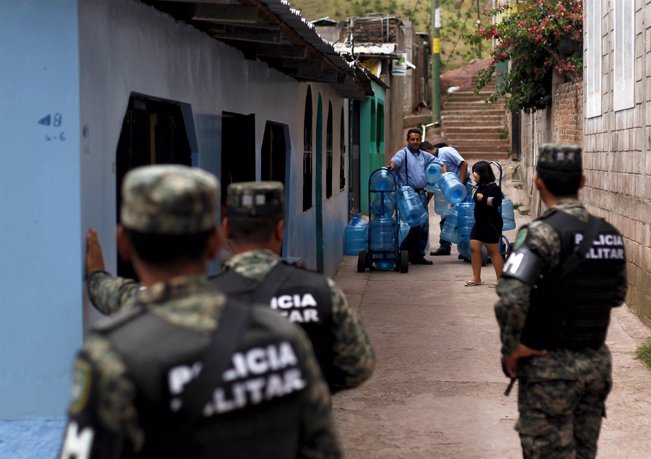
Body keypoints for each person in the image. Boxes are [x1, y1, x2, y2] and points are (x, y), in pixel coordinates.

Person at [60, 165, 341, 458]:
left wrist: (96, 277)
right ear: (215, 241)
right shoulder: (284, 338)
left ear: (123, 243)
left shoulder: (111, 354)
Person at [85, 181, 375, 395]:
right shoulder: (322, 291)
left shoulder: (201, 297)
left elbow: (128, 298)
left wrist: (96, 274)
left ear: (225, 230)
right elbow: (358, 365)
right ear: (280, 229)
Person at [495, 143, 628, 458]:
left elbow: (510, 297)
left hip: (549, 371)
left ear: (537, 181)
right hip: (595, 367)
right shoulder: (608, 234)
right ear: (582, 181)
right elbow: (617, 295)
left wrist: (513, 348)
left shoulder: (539, 234)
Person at [387, 128, 443, 265]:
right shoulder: (403, 153)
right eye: (412, 139)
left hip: (421, 194)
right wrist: (392, 165)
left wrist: (442, 173)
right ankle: (404, 249)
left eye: (418, 139)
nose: (415, 142)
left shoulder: (424, 155)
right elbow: (394, 161)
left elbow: (438, 162)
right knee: (415, 225)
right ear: (408, 140)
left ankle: (417, 255)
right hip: (408, 195)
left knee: (423, 226)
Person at [420, 141, 469, 256]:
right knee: (446, 219)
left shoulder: (446, 152)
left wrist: (460, 185)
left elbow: (464, 164)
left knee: (463, 219)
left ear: (428, 151)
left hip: (460, 190)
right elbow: (433, 184)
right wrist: (425, 202)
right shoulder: (433, 164)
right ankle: (445, 246)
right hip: (446, 194)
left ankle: (465, 247)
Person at [465, 161, 505, 287]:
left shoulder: (493, 188)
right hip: (479, 223)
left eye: (476, 172)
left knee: (493, 251)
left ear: (483, 173)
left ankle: (501, 280)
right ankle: (476, 278)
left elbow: (496, 202)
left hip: (491, 223)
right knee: (474, 247)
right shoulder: (479, 187)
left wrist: (484, 199)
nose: (474, 175)